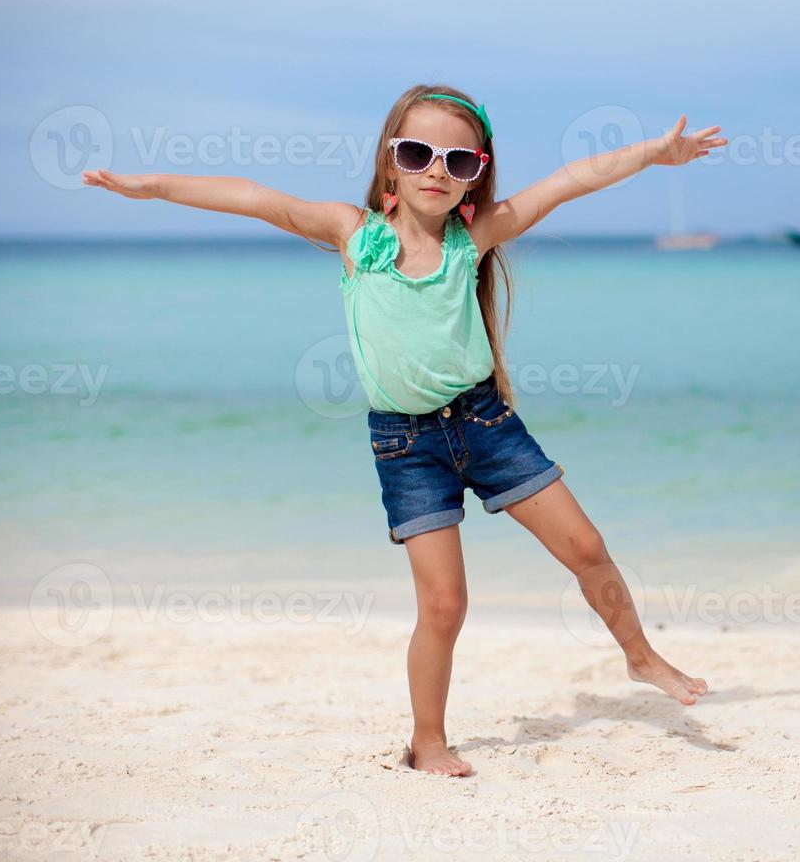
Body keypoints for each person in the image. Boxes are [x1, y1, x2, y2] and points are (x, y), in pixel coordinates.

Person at [84, 84, 726, 776]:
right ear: (391, 162)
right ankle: (428, 741)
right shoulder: (353, 235)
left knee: (587, 547)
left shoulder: (471, 240)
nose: (436, 171)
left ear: (475, 174)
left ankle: (639, 656)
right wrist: (150, 187)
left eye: (458, 161)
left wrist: (655, 153)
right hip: (406, 446)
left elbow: (567, 183)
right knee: (445, 604)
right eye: (418, 153)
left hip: (486, 424)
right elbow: (253, 196)